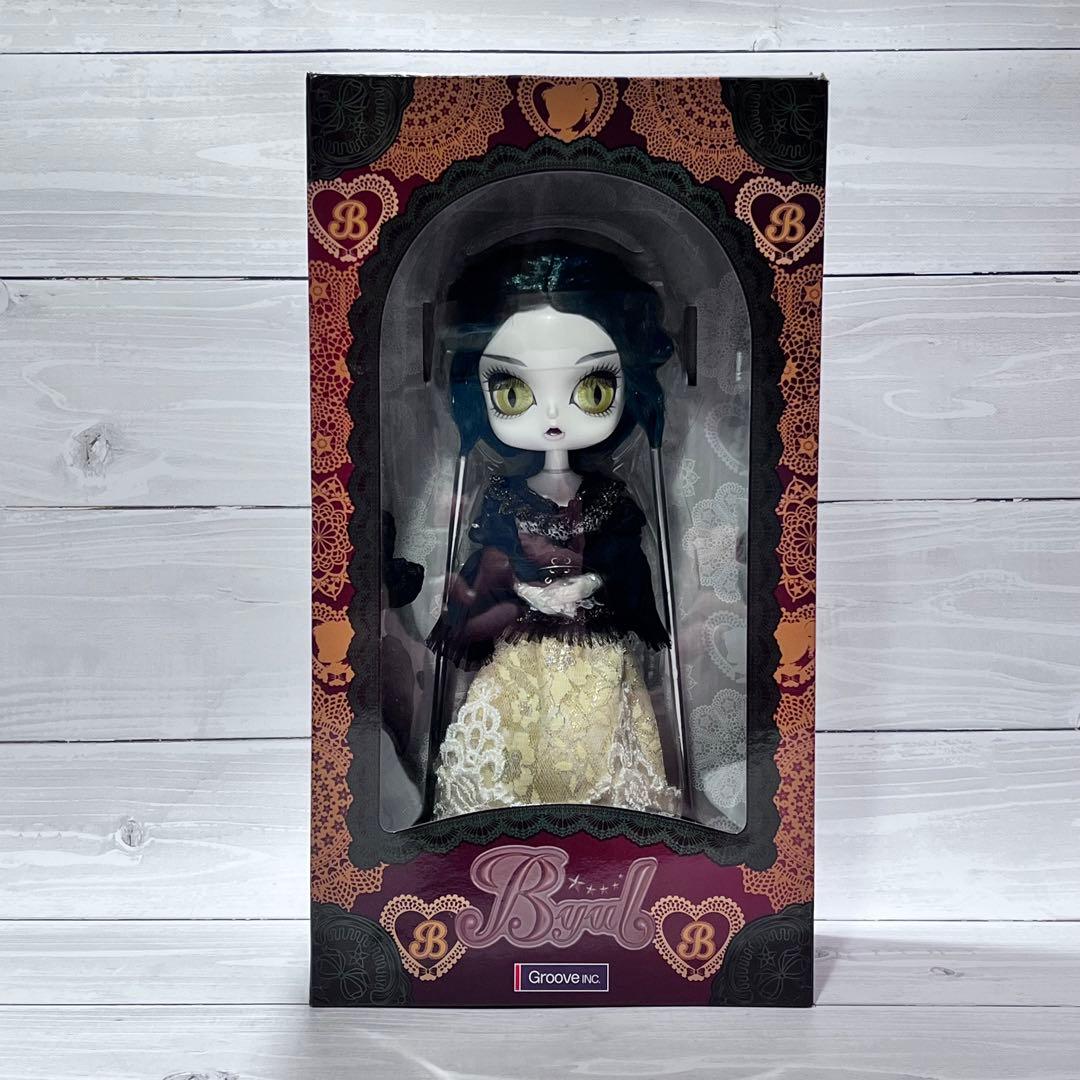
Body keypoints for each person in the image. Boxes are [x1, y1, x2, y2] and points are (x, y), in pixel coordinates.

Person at [426, 238, 681, 819]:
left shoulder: (610, 497)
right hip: (524, 650)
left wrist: (591, 583)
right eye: (512, 391)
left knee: (603, 738)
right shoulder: (505, 497)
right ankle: (503, 815)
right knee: (515, 733)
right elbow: (486, 564)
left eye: (593, 390)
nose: (551, 418)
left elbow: (626, 562)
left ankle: (607, 821)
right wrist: (521, 590)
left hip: (595, 653)